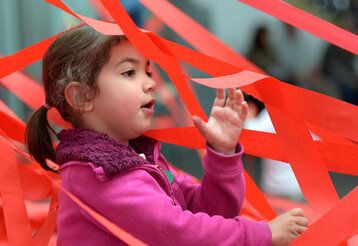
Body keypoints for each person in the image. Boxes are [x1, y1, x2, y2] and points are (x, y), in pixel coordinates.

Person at [25, 25, 308, 246]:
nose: (150, 83)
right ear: (82, 96)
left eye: (147, 71)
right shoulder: (100, 175)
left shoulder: (138, 159)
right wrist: (263, 235)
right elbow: (180, 234)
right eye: (128, 72)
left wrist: (222, 153)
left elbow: (208, 213)